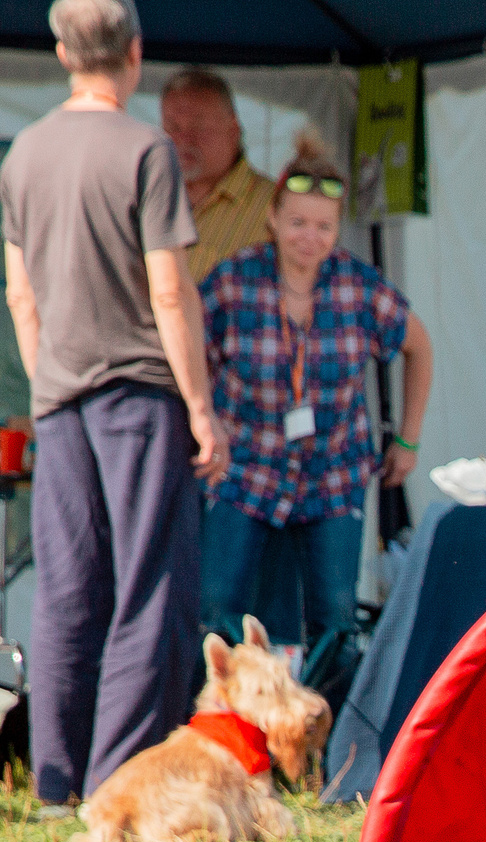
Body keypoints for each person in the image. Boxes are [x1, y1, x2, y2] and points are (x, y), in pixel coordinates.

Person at [0, 0, 228, 813]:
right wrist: (199, 406)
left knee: (66, 589)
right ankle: (122, 781)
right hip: (139, 395)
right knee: (149, 589)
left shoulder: (23, 154)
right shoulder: (145, 150)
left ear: (63, 52)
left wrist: (49, 386)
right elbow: (168, 290)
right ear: (135, 52)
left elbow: (20, 296)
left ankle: (56, 783)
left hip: (60, 398)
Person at [200, 136, 433, 715]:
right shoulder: (233, 282)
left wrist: (407, 438)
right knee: (217, 607)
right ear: (273, 218)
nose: (311, 237)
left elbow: (420, 347)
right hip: (245, 472)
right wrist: (204, 425)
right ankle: (231, 728)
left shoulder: (358, 286)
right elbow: (188, 356)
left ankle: (326, 738)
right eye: (299, 222)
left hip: (333, 475)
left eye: (324, 226)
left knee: (334, 619)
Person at [159, 66, 275, 281]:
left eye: (198, 127)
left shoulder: (276, 206)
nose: (184, 139)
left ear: (234, 130)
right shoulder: (147, 197)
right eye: (173, 127)